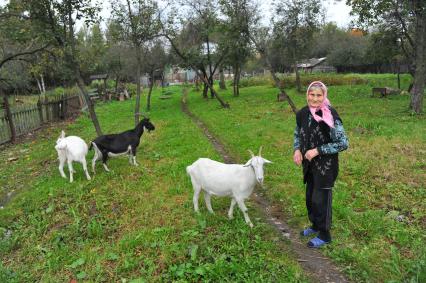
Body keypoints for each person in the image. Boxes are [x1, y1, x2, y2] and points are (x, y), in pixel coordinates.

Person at [293, 81, 348, 248]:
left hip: (325, 167)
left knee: (321, 199)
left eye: (319, 95)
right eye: (312, 94)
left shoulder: (329, 115)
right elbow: (297, 132)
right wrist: (297, 149)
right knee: (310, 198)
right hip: (309, 165)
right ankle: (315, 225)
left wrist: (317, 150)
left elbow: (343, 143)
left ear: (324, 96)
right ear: (307, 95)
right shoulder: (303, 113)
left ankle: (325, 234)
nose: (315, 98)